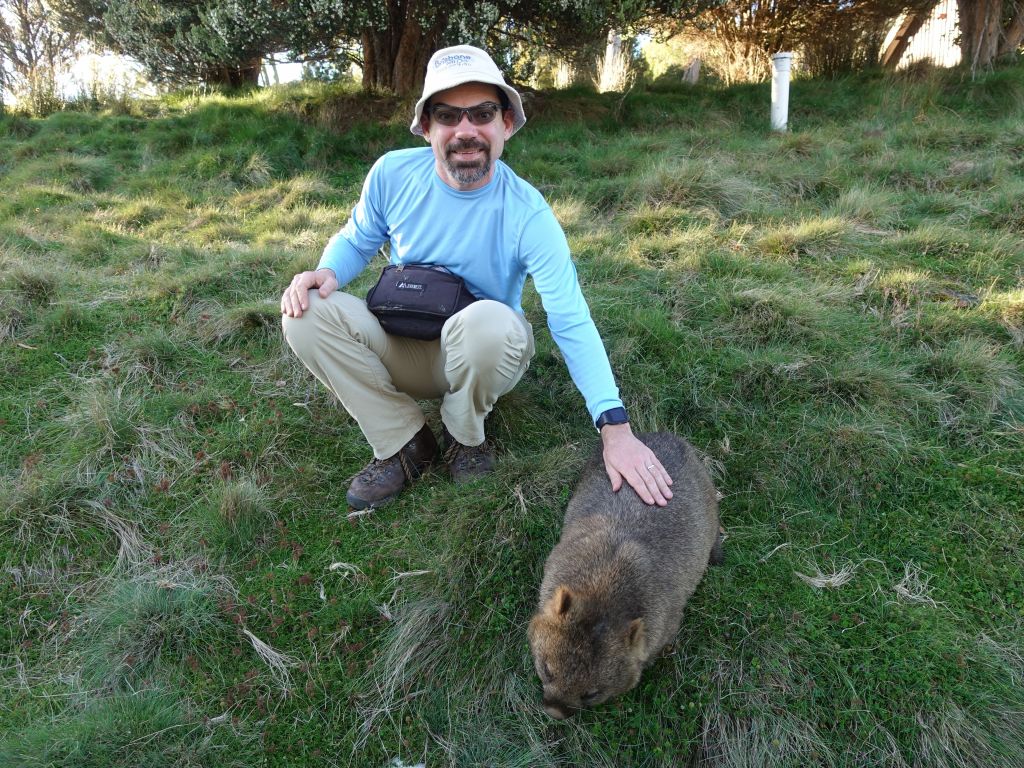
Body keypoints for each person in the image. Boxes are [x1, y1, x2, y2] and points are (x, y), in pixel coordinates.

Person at [280, 44, 673, 511]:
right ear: (427, 128)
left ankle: (465, 437)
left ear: (506, 123)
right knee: (304, 312)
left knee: (493, 322)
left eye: (483, 113)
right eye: (447, 115)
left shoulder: (528, 213)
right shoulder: (392, 173)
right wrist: (325, 271)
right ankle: (404, 442)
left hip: (478, 356)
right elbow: (359, 237)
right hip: (398, 342)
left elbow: (570, 318)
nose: (466, 131)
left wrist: (616, 429)